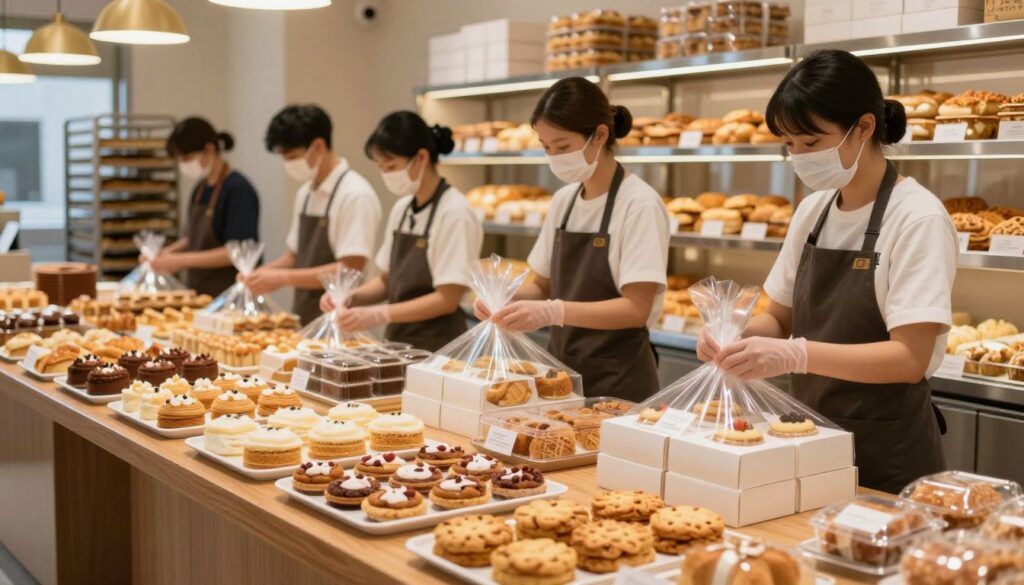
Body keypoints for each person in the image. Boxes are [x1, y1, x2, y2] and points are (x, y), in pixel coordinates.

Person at [698, 50, 956, 494]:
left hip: (885, 452)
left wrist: (796, 355)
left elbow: (909, 358)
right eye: (789, 145)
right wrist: (735, 336)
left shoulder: (916, 218)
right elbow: (780, 317)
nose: (799, 157)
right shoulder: (813, 211)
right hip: (807, 439)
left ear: (864, 128)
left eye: (812, 143)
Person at [476, 77, 670, 401]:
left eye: (562, 146)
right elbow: (542, 286)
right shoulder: (564, 201)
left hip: (618, 382)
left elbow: (636, 308)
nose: (554, 157)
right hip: (561, 377)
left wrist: (553, 313)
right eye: (546, 147)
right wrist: (501, 296)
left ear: (600, 135)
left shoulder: (639, 204)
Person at [319, 111, 482, 351]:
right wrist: (349, 297)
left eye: (391, 166)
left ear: (422, 158)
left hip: (439, 348)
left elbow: (447, 299)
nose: (386, 174)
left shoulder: (455, 212)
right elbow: (386, 281)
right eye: (381, 167)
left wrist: (378, 314)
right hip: (398, 344)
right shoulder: (402, 209)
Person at [242, 104, 382, 324]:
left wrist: (282, 278)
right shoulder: (306, 193)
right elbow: (294, 256)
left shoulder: (355, 195)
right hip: (306, 316)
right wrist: (258, 275)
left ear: (317, 146)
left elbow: (350, 269)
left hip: (344, 322)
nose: (287, 163)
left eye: (292, 155)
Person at [149, 117, 259, 297]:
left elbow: (236, 252)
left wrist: (180, 261)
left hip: (229, 293)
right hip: (199, 290)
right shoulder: (200, 188)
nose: (184, 165)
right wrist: (163, 254)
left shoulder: (238, 190)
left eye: (187, 158)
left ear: (209, 149)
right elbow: (191, 239)